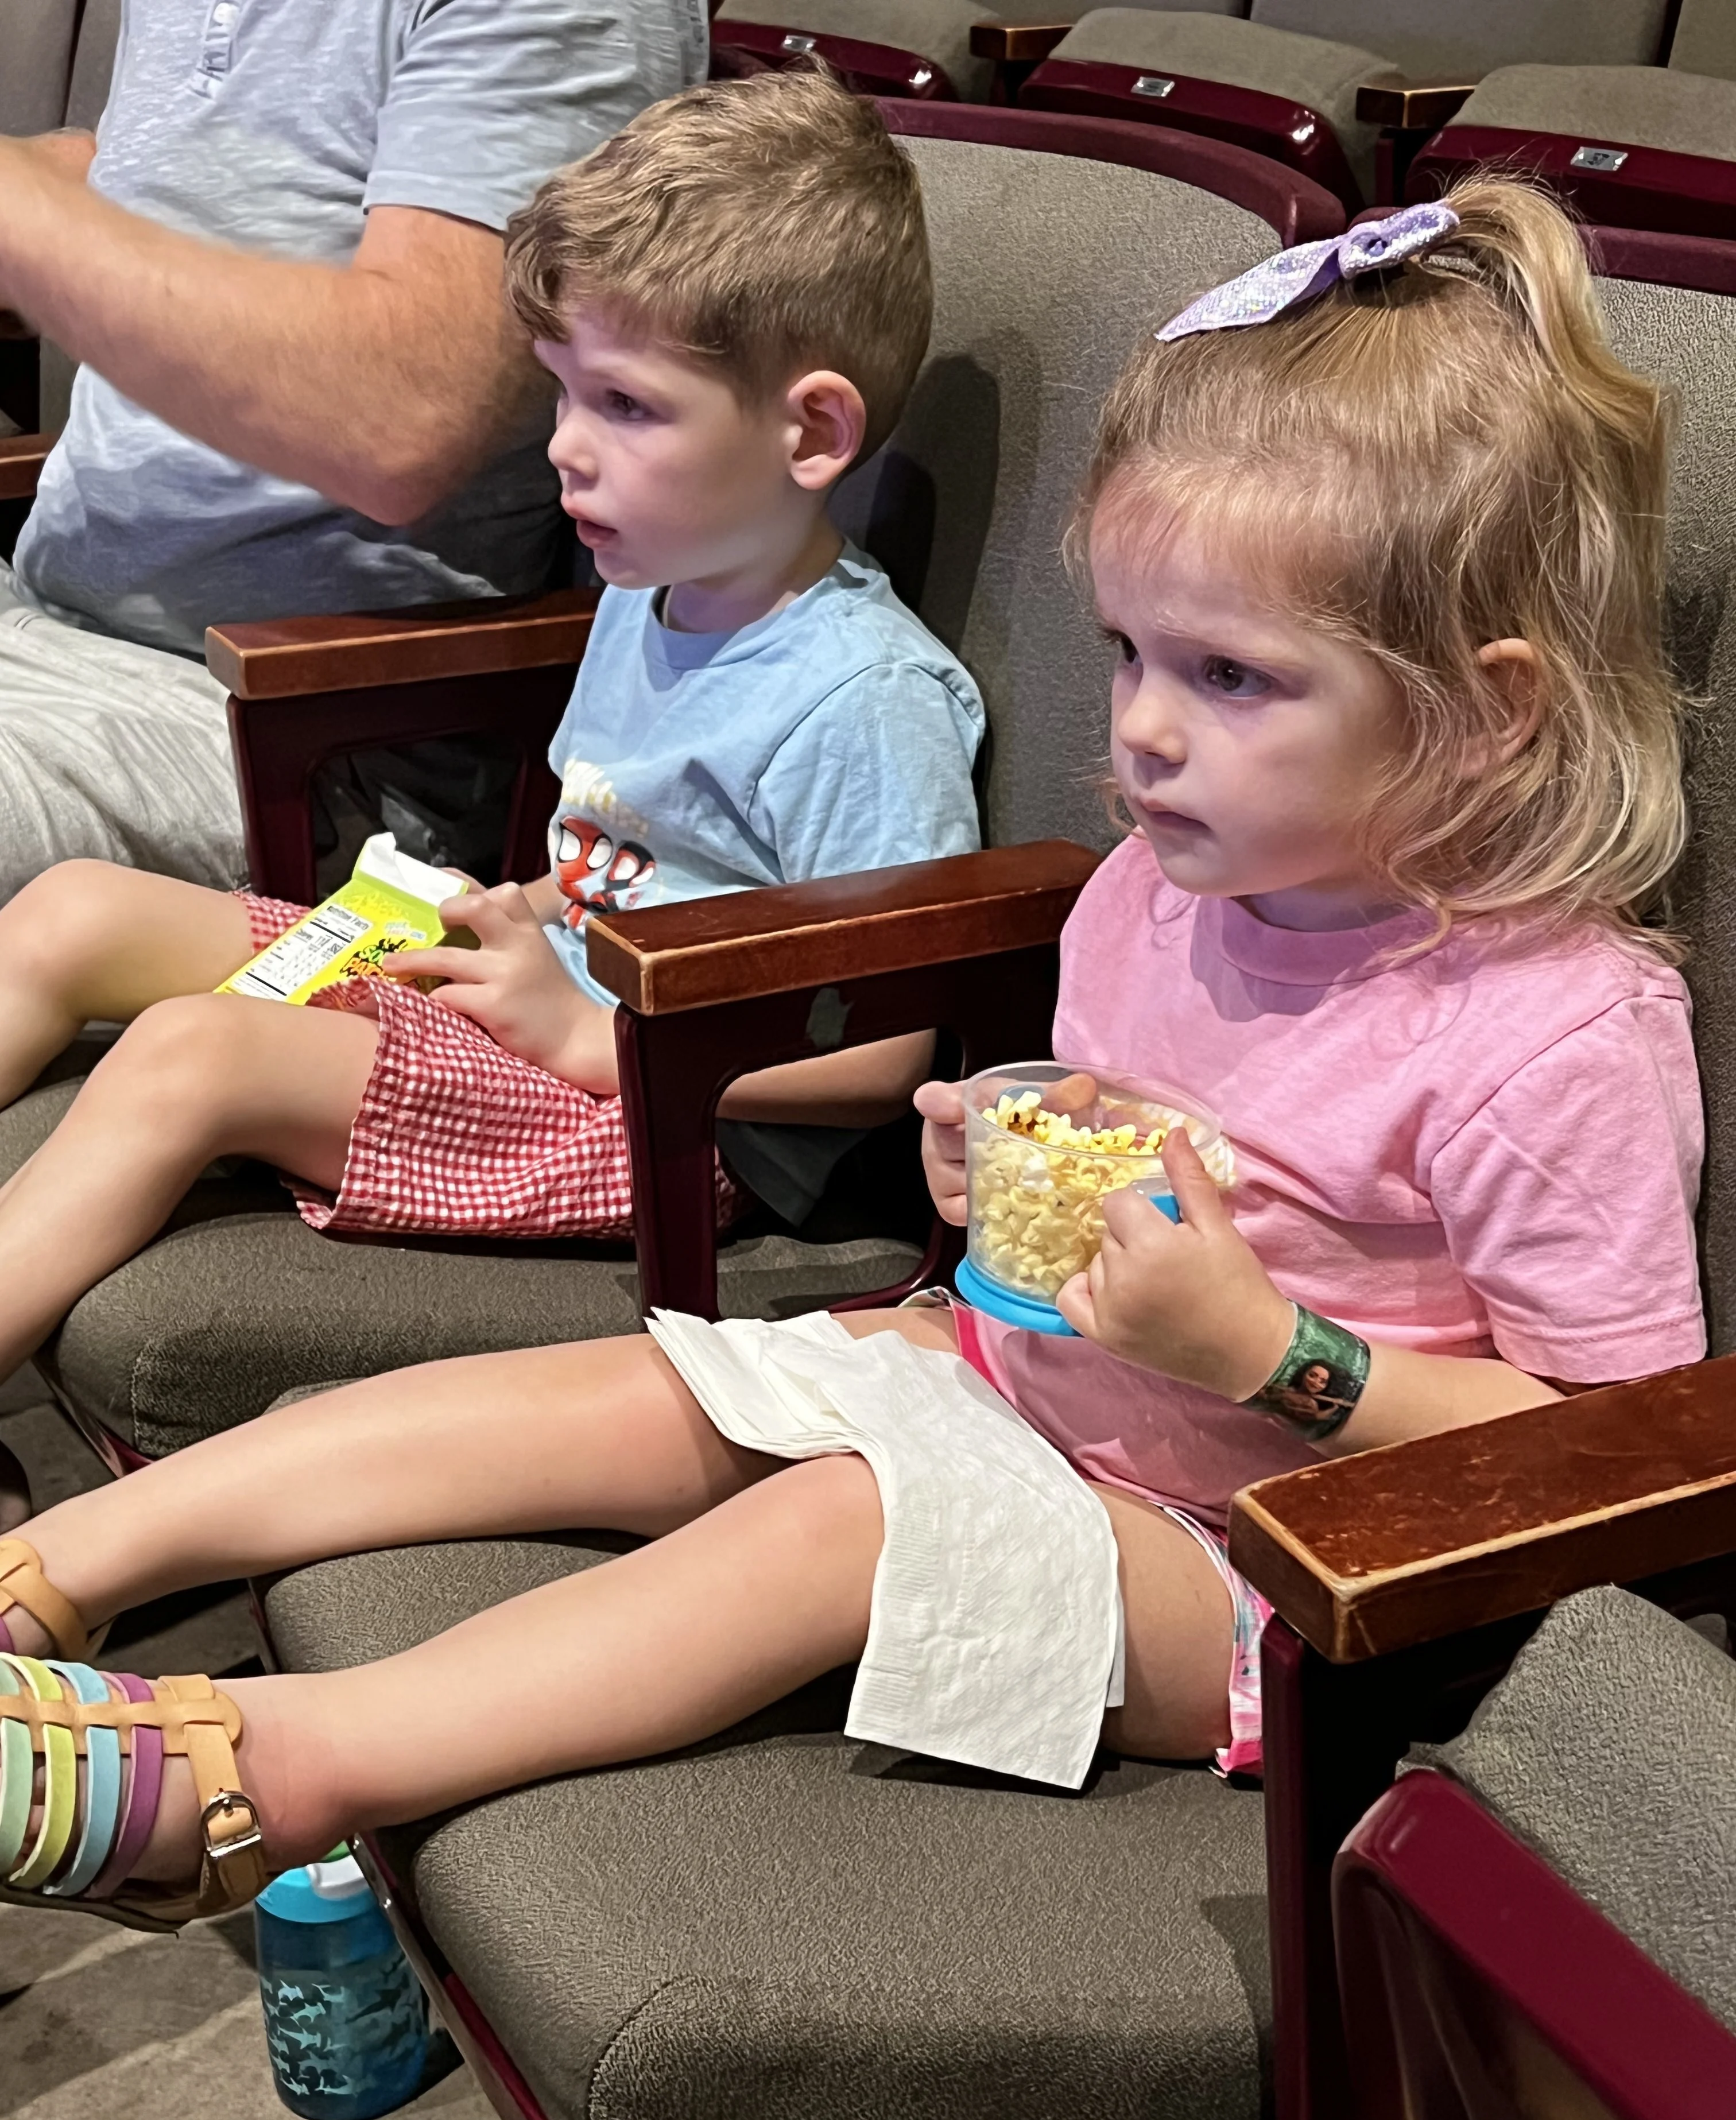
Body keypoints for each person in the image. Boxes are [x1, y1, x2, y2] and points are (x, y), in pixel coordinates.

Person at [0, 180, 1704, 1927]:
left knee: (840, 1522)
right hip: (1029, 1388)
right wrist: (995, 1170)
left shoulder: (1555, 1030)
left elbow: (1620, 1456)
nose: (1144, 729)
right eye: (1126, 651)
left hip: (1281, 1561)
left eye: (1234, 676)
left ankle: (261, 1779)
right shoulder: (1157, 888)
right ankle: (52, 1571)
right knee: (652, 1383)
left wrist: (1279, 1353)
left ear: (1490, 711)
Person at [0, 67, 982, 1472]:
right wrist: (511, 914)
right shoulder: (655, 580)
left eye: (628, 408)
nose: (567, 450)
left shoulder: (862, 695)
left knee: (193, 1052)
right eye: (565, 394)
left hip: (665, 1111)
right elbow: (612, 854)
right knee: (80, 905)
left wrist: (595, 1034)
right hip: (538, 1000)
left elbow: (890, 1047)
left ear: (811, 432)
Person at [0, 0, 707, 901]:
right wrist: (54, 176)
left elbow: (401, 422)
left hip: (290, 742)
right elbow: (219, 192)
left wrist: (21, 210)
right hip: (41, 620)